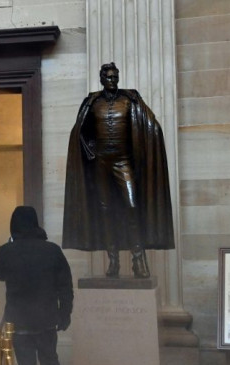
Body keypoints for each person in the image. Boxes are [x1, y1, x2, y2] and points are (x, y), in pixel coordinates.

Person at [62, 62, 174, 278]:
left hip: (123, 161)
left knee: (132, 206)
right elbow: (79, 132)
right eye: (109, 77)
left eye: (115, 77)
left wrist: (153, 133)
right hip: (100, 164)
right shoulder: (92, 103)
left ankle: (138, 258)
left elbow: (150, 124)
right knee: (105, 211)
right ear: (102, 79)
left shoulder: (130, 100)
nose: (113, 81)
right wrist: (89, 150)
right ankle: (113, 261)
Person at [0, 206, 73, 365]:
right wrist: (65, 313)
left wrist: (10, 244)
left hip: (19, 321)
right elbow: (65, 286)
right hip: (47, 319)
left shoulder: (6, 251)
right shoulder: (52, 250)